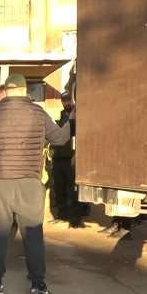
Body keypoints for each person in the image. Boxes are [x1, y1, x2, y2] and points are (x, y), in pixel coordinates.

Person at [0, 74, 72, 294]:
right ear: (25, 90)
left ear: (6, 90)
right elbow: (59, 138)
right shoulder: (37, 113)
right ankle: (38, 285)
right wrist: (72, 118)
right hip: (30, 182)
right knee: (33, 233)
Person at [49, 92, 83, 228]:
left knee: (72, 189)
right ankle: (62, 215)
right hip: (58, 157)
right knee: (59, 188)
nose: (65, 103)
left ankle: (75, 219)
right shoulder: (61, 115)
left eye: (68, 100)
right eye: (63, 100)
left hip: (71, 158)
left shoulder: (77, 114)